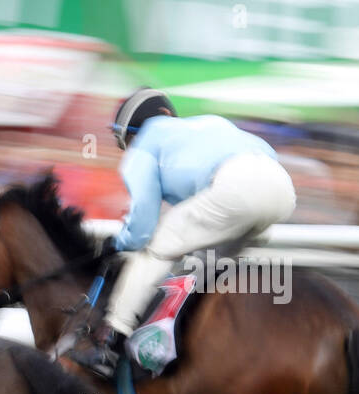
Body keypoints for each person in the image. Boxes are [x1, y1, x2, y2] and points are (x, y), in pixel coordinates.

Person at [69, 88, 296, 378]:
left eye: (125, 141)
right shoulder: (207, 124)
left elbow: (141, 227)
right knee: (208, 265)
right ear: (166, 114)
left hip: (237, 188)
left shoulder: (142, 147)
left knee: (156, 247)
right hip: (282, 190)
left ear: (130, 135)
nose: (128, 147)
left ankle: (111, 342)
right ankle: (207, 333)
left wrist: (119, 242)